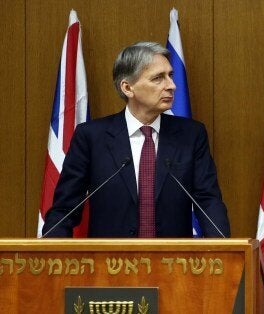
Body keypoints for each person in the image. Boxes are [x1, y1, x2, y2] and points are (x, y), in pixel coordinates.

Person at [42, 42, 230, 237]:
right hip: (110, 264)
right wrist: (52, 258)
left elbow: (209, 202)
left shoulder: (191, 135)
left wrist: (225, 252)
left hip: (173, 263)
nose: (172, 86)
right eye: (158, 78)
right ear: (128, 88)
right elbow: (65, 209)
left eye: (170, 75)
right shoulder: (91, 137)